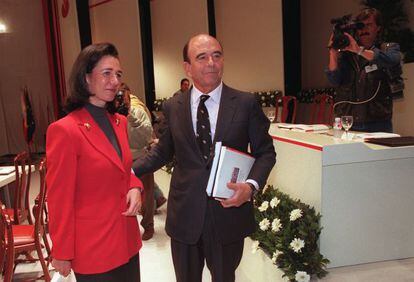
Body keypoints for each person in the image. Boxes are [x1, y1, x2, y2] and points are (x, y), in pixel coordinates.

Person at [133, 34, 276, 282]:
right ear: (187, 67)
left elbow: (265, 152)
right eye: (202, 57)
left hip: (227, 214)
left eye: (217, 55)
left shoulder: (245, 103)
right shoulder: (173, 106)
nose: (211, 62)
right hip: (185, 215)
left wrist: (250, 187)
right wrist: (129, 171)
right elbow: (162, 151)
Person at [46, 43, 144, 281]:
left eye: (118, 74)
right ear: (86, 78)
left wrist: (134, 184)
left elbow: (122, 168)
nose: (114, 81)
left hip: (126, 240)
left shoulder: (119, 122)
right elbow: (59, 197)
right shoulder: (65, 130)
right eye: (106, 73)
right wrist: (62, 251)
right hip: (94, 248)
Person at [326, 8, 403, 133]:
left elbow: (391, 60)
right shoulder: (347, 55)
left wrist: (359, 50)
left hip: (378, 123)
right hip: (348, 122)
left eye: (369, 25)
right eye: (361, 26)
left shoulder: (388, 48)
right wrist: (333, 51)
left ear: (378, 28)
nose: (364, 30)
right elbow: (334, 79)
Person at [115, 82, 167, 240]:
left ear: (128, 96)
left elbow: (147, 135)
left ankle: (148, 225)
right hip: (120, 160)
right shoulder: (111, 113)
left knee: (147, 194)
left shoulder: (137, 111)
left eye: (122, 97)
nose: (121, 101)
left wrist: (131, 118)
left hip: (141, 158)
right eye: (117, 98)